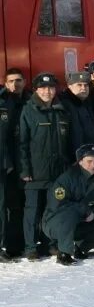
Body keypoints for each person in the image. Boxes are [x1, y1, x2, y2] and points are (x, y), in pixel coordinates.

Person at [19, 73, 71, 260]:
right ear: (36, 90)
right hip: (35, 172)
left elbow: (68, 142)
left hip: (58, 172)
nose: (47, 91)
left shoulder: (62, 110)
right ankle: (30, 247)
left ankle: (50, 244)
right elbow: (22, 143)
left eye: (51, 88)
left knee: (53, 209)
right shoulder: (28, 110)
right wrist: (25, 170)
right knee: (32, 212)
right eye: (43, 88)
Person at [42, 143, 94, 265]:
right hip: (54, 222)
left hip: (81, 223)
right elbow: (58, 204)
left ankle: (80, 248)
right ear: (80, 161)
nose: (93, 165)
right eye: (89, 161)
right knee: (71, 212)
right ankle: (63, 253)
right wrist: (85, 210)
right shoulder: (67, 178)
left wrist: (93, 213)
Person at [3, 68, 31, 257]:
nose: (15, 84)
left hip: (27, 161)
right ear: (6, 83)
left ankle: (26, 242)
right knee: (10, 205)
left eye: (19, 80)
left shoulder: (30, 101)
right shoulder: (3, 103)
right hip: (8, 162)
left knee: (26, 204)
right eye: (11, 81)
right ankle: (12, 246)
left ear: (24, 81)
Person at [59, 70, 94, 154]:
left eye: (86, 85)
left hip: (90, 154)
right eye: (79, 85)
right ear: (69, 86)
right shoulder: (64, 105)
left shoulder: (88, 103)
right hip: (75, 157)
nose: (83, 88)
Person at [0, 85, 16, 261]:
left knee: (0, 208)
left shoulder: (6, 101)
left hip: (1, 163)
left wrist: (8, 160)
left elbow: (11, 136)